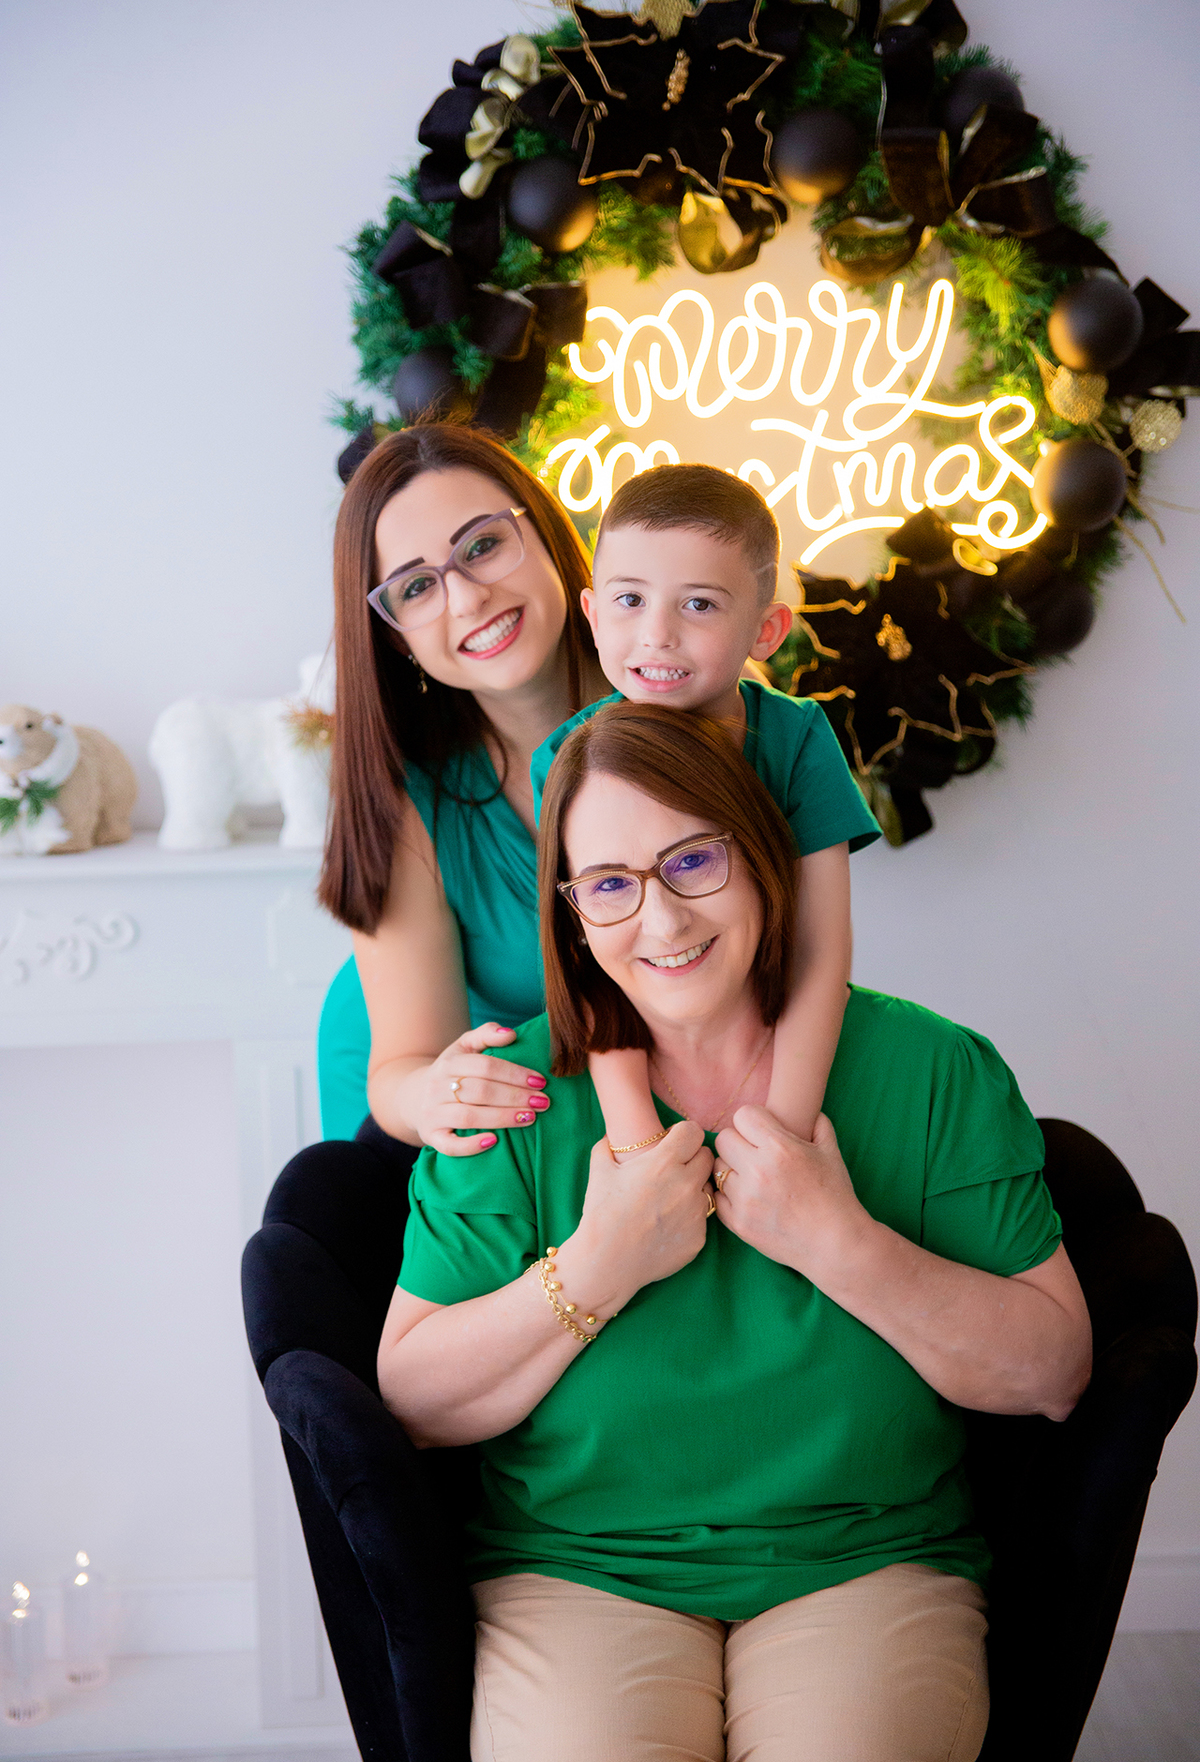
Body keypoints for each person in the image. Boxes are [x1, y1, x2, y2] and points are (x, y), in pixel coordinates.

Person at [378, 700, 1092, 1762]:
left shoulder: (934, 1072)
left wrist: (839, 1241)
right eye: (610, 885)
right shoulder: (512, 1095)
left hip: (868, 1561)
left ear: (760, 858)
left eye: (693, 861)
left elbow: (1055, 1372)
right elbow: (415, 1401)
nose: (660, 923)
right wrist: (595, 1266)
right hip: (578, 1569)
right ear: (572, 912)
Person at [528, 463, 879, 1154]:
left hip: (784, 1046)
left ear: (766, 630)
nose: (657, 634)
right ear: (593, 614)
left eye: (699, 605)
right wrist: (635, 1137)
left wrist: (783, 1131)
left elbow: (821, 950)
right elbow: (588, 959)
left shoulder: (798, 739)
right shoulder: (568, 759)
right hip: (638, 1055)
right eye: (630, 600)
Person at [317, 422, 610, 1153]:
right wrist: (436, 1091)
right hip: (442, 1089)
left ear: (543, 533)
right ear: (395, 637)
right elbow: (401, 1072)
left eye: (482, 546)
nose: (466, 598)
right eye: (417, 587)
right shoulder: (409, 793)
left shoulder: (699, 693)